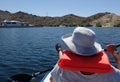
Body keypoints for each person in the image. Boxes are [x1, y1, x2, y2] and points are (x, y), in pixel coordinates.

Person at [50, 27, 120, 82]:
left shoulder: (62, 68)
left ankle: (59, 50)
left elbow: (51, 79)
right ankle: (59, 50)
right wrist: (115, 53)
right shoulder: (109, 72)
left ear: (71, 47)